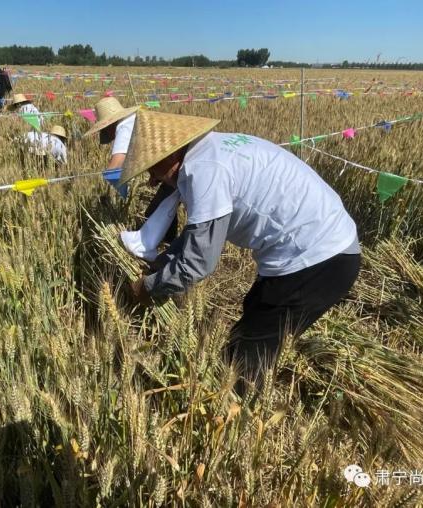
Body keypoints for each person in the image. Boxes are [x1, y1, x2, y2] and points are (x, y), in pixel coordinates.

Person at [123, 110, 361, 383]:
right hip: (318, 247)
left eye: (152, 169)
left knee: (242, 366)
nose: (153, 180)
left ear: (168, 156)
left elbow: (199, 261)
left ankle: (237, 417)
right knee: (251, 322)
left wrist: (147, 288)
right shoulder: (211, 148)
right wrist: (163, 262)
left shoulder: (205, 170)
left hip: (317, 258)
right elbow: (197, 236)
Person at [86, 97, 178, 243]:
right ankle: (168, 246)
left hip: (180, 167)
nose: (108, 136)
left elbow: (114, 167)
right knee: (164, 211)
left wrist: (101, 189)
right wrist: (155, 175)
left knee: (154, 214)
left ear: (109, 124)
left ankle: (167, 252)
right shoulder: (135, 119)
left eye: (104, 130)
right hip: (176, 164)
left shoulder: (124, 125)